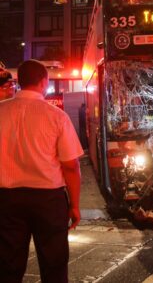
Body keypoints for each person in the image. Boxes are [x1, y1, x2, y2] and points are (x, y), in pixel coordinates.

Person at [0, 59, 84, 283]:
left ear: (19, 81)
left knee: (8, 264)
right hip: (48, 199)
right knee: (54, 264)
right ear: (44, 81)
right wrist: (74, 205)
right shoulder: (57, 116)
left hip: (6, 199)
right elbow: (70, 166)